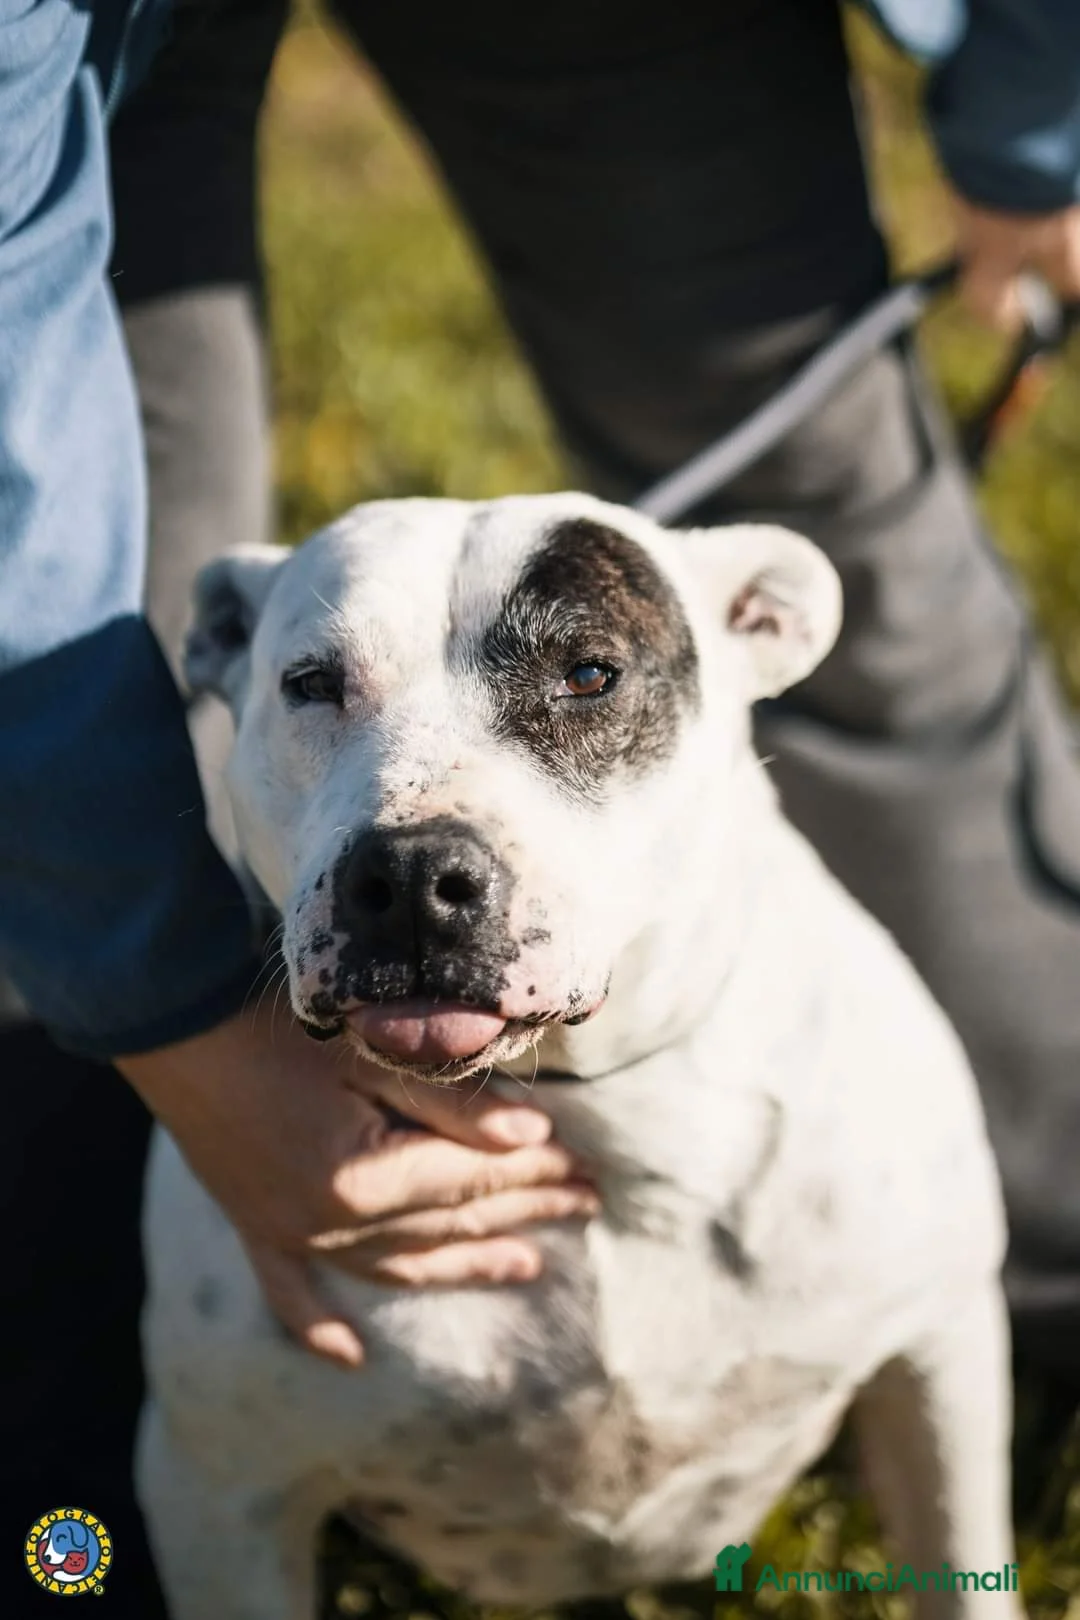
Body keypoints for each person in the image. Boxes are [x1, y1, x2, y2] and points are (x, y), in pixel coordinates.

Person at [2, 0, 1079, 1614]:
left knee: (873, 528)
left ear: (760, 629)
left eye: (582, 686)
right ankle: (49, 1498)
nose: (416, 839)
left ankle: (1069, 1295)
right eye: (319, 690)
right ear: (233, 660)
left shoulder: (873, 1116)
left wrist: (1039, 126)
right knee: (66, 707)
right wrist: (172, 1025)